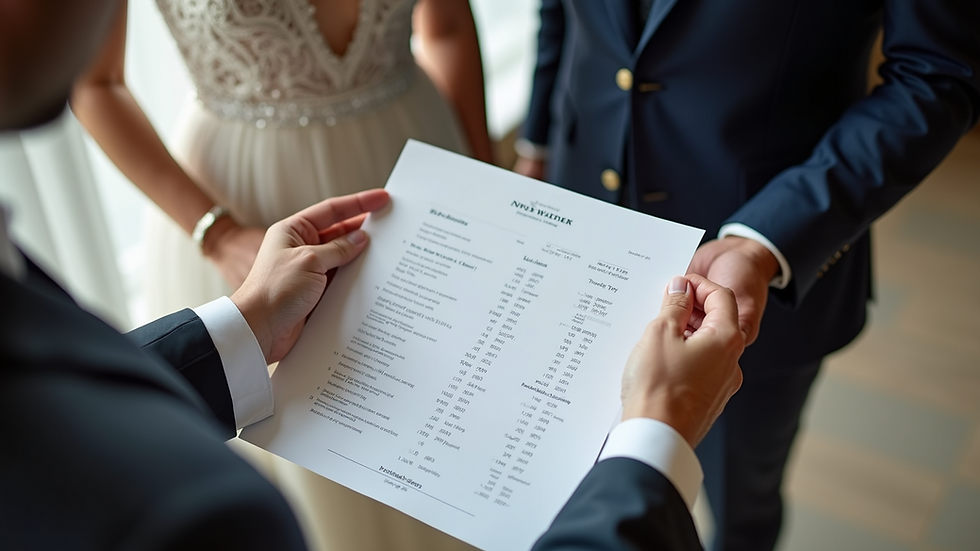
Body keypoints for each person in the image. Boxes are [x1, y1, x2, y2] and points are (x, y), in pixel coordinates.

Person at [514, 1, 980, 550]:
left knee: (740, 505)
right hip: (584, 226)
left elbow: (937, 75)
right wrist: (536, 145)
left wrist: (761, 243)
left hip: (754, 269)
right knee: (570, 473)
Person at [71, 2, 492, 548]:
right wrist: (218, 234)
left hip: (412, 164)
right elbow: (94, 82)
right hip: (243, 199)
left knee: (450, 430)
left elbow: (447, 25)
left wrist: (484, 181)